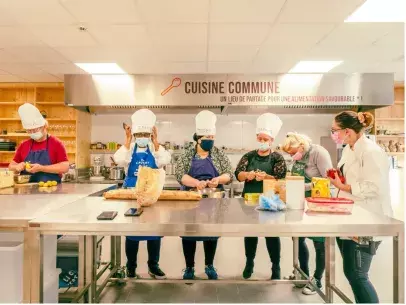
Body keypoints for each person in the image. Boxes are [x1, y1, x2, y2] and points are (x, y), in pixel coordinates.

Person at [328, 111, 393, 303]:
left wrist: (343, 186)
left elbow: (374, 187)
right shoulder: (350, 148)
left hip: (367, 220)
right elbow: (353, 178)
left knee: (358, 275)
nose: (334, 134)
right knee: (351, 273)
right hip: (351, 216)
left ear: (348, 131)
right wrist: (337, 179)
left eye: (335, 130)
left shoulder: (371, 151)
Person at [175, 110, 233, 280]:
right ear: (198, 139)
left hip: (214, 200)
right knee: (189, 233)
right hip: (191, 199)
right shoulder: (187, 153)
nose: (210, 142)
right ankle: (189, 267)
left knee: (211, 233)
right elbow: (180, 174)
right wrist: (195, 183)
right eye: (207, 139)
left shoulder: (218, 153)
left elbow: (229, 173)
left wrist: (218, 179)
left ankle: (209, 265)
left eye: (212, 139)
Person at [114, 109, 171, 279]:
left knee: (154, 230)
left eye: (146, 133)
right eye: (139, 133)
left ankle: (153, 265)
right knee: (132, 231)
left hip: (152, 194)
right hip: (132, 193)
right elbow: (119, 160)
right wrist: (127, 140)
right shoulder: (129, 148)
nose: (142, 137)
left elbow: (165, 160)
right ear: (134, 134)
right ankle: (131, 266)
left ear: (151, 133)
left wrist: (156, 142)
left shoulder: (155, 149)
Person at [235, 113, 287, 280]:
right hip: (249, 201)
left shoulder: (277, 157)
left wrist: (266, 177)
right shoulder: (249, 156)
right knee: (250, 234)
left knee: (272, 235)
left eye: (266, 139)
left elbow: (281, 178)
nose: (263, 142)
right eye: (260, 138)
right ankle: (249, 263)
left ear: (271, 141)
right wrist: (248, 175)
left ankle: (276, 266)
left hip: (271, 202)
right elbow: (238, 174)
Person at [282, 132, 333, 295]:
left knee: (319, 242)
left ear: (301, 145)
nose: (291, 155)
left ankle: (317, 279)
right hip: (299, 202)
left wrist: (302, 187)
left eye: (292, 151)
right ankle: (303, 274)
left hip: (318, 202)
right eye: (289, 153)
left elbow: (328, 179)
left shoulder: (319, 152)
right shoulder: (298, 156)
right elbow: (295, 176)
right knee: (298, 238)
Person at [9, 103, 69, 182]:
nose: (33, 132)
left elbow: (65, 167)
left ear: (44, 126)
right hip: (26, 191)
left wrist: (42, 168)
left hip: (51, 190)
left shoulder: (56, 143)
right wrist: (16, 167)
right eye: (30, 130)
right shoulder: (24, 145)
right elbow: (11, 166)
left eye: (36, 129)